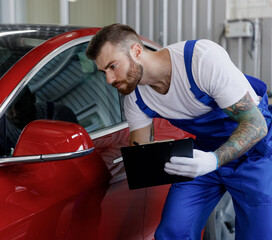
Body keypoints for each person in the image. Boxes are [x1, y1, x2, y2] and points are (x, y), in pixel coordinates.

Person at [86, 23, 272, 240]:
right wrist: (149, 158)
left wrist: (213, 161)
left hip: (255, 151)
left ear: (136, 51)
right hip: (203, 153)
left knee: (259, 235)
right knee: (173, 232)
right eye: (103, 72)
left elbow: (256, 124)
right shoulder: (135, 100)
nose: (109, 79)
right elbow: (141, 157)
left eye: (112, 66)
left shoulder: (201, 60)